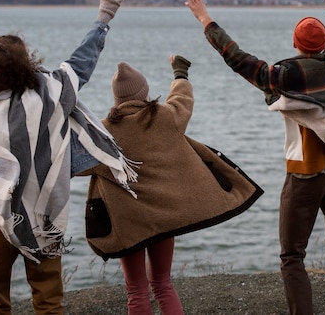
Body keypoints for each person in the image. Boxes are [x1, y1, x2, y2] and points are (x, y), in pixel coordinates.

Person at [184, 0, 325, 315]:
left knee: (292, 255)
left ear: (295, 44)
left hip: (304, 177)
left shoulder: (284, 76)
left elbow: (237, 57)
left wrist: (205, 18)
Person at [0, 0, 135, 314]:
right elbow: (83, 59)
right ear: (24, 66)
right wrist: (104, 16)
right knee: (48, 300)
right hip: (45, 215)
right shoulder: (49, 93)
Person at [80, 57, 263, 315]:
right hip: (166, 218)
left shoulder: (103, 133)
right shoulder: (164, 117)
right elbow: (182, 99)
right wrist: (180, 72)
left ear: (116, 98)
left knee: (136, 291)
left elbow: (76, 164)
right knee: (163, 284)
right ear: (143, 92)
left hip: (128, 222)